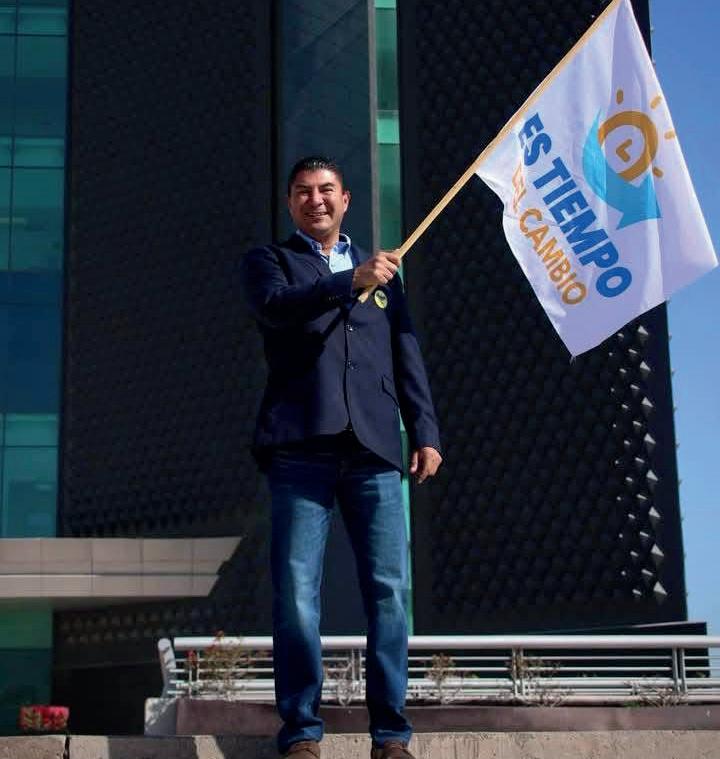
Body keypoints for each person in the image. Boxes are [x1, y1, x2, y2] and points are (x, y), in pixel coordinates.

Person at [242, 156, 442, 759]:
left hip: (375, 449)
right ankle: (302, 732)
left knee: (389, 591)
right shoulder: (270, 261)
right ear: (290, 203)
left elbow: (406, 353)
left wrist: (425, 431)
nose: (316, 200)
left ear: (346, 199)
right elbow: (275, 306)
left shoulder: (386, 276)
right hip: (300, 448)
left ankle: (391, 736)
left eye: (326, 190)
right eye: (303, 192)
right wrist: (349, 280)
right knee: (297, 592)